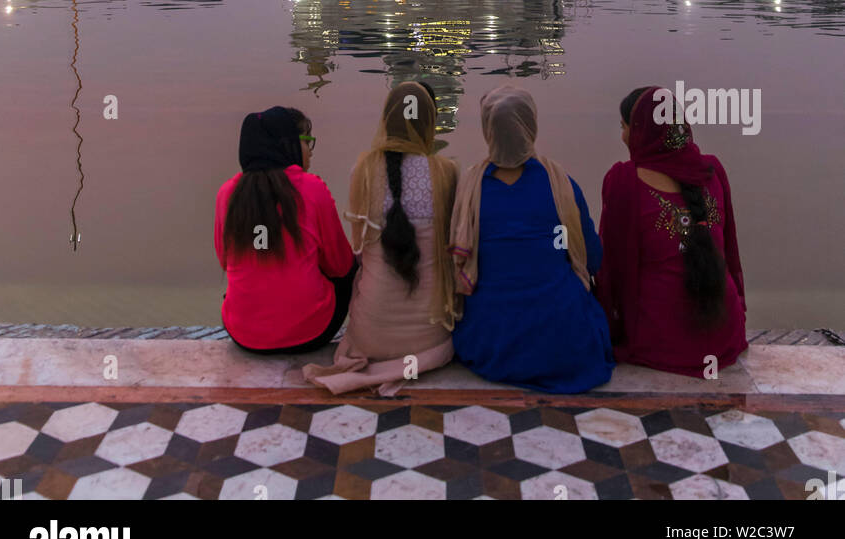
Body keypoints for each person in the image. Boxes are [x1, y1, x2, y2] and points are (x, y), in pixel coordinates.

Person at [449, 85, 614, 392]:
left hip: (490, 341)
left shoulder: (470, 190)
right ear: (531, 126)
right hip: (563, 341)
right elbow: (593, 258)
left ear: (488, 130)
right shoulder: (561, 186)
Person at [304, 82, 458, 395]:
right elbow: (454, 250)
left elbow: (358, 252)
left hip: (369, 336)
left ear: (386, 120)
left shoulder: (361, 170)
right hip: (431, 338)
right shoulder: (447, 172)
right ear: (429, 122)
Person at [596, 87, 747, 378]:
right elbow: (729, 251)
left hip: (663, 340)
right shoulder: (713, 170)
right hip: (724, 332)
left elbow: (611, 269)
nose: (623, 136)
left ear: (640, 132)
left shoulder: (624, 181)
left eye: (624, 126)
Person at [214, 107, 355, 354]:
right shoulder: (312, 188)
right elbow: (340, 265)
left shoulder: (228, 192)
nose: (310, 150)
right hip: (312, 334)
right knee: (351, 268)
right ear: (286, 144)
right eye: (306, 141)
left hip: (243, 335)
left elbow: (225, 261)